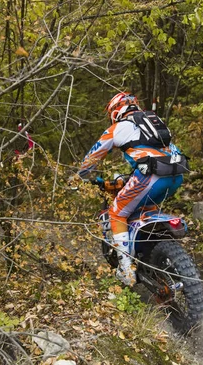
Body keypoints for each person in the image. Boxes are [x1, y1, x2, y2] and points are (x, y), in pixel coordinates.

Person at [74, 92, 186, 286]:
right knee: (144, 208)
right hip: (176, 174)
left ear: (115, 111)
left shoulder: (118, 127)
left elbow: (93, 156)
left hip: (150, 176)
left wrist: (78, 176)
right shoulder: (153, 122)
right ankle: (151, 253)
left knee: (117, 212)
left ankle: (126, 270)